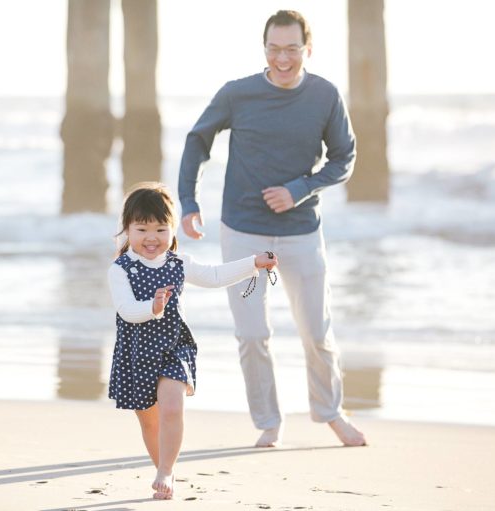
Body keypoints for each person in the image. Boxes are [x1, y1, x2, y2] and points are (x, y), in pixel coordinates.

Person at [178, 9, 366, 448]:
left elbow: (344, 158)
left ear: (308, 50)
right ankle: (268, 423)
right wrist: (189, 201)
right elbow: (197, 140)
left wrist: (300, 188)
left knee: (316, 332)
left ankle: (330, 412)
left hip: (301, 231)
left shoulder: (325, 96)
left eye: (292, 49)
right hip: (243, 230)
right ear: (265, 49)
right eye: (275, 49)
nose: (283, 58)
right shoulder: (238, 94)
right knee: (252, 334)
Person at [108, 182, 278, 499]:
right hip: (137, 352)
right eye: (142, 228)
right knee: (150, 423)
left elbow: (214, 276)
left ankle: (166, 472)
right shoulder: (121, 269)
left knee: (172, 408)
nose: (151, 238)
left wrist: (252, 262)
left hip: (174, 345)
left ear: (172, 230)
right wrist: (153, 307)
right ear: (127, 229)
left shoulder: (178, 263)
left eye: (160, 229)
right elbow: (127, 310)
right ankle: (162, 468)